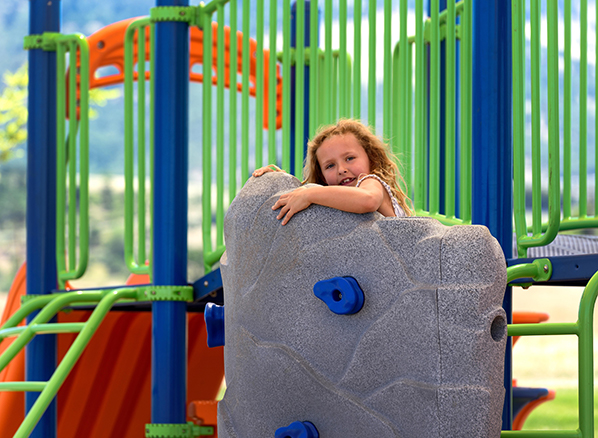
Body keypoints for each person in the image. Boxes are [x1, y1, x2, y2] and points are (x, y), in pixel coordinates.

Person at [252, 119, 413, 225]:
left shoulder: (370, 182)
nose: (342, 169)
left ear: (371, 158)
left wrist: (309, 194)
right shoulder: (337, 200)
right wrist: (278, 179)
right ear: (322, 175)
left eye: (349, 158)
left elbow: (368, 200)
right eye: (330, 166)